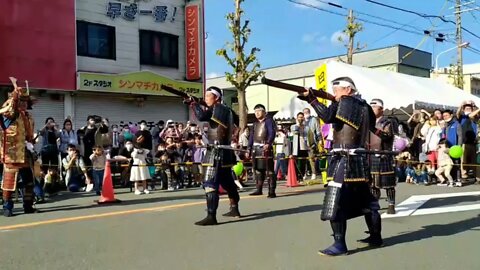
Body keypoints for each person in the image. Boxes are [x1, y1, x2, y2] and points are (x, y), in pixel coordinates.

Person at [298, 76, 382, 256]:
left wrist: (312, 100)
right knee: (368, 200)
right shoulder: (365, 107)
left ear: (348, 90)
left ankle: (339, 244)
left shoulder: (346, 102)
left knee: (334, 201)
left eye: (337, 90)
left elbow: (327, 117)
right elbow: (366, 125)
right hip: (358, 157)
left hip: (344, 158)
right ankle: (376, 236)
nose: (335, 93)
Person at [184, 86, 241, 226]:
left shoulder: (218, 108)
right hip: (224, 151)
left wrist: (193, 104)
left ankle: (211, 215)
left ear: (216, 97)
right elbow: (237, 122)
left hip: (216, 152)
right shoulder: (228, 110)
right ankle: (234, 209)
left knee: (210, 184)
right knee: (228, 183)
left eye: (208, 96)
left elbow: (202, 116)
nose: (205, 98)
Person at [0, 82, 38, 217]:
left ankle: (28, 206)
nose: (24, 103)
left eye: (26, 101)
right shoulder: (9, 115)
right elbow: (12, 109)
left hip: (26, 154)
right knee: (9, 183)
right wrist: (16, 94)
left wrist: (31, 142)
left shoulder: (28, 117)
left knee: (29, 182)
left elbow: (28, 135)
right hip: (12, 153)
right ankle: (7, 208)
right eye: (21, 101)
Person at [369, 99, 397, 214]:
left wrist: (373, 129)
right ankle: (375, 204)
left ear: (381, 109)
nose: (372, 109)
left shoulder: (387, 122)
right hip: (371, 154)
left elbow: (387, 135)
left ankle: (391, 204)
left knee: (388, 182)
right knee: (373, 183)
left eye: (374, 107)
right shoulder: (368, 121)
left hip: (385, 154)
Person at [248, 104, 277, 197]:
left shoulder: (269, 121)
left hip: (265, 147)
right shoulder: (255, 123)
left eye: (259, 111)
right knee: (258, 170)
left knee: (269, 170)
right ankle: (258, 189)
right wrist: (249, 147)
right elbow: (251, 136)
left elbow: (272, 133)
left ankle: (271, 190)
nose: (257, 113)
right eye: (255, 111)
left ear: (264, 112)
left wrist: (268, 143)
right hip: (256, 148)